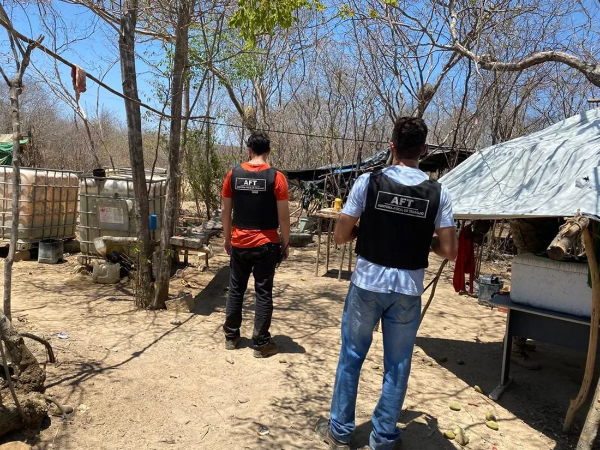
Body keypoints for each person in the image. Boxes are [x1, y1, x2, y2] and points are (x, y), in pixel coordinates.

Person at [315, 117, 458, 449]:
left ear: (392, 146)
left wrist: (363, 231)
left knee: (352, 356)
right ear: (424, 150)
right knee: (398, 364)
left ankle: (340, 432)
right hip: (407, 289)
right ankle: (383, 438)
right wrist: (426, 244)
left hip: (367, 283)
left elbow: (339, 236)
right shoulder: (439, 193)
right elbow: (450, 250)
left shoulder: (369, 182)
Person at [221, 130, 290, 358]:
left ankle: (231, 337)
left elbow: (226, 211)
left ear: (249, 150)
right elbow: (283, 217)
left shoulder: (234, 174)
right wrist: (286, 243)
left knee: (236, 289)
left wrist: (227, 238)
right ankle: (261, 343)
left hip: (239, 242)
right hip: (266, 244)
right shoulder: (276, 177)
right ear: (268, 151)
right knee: (263, 292)